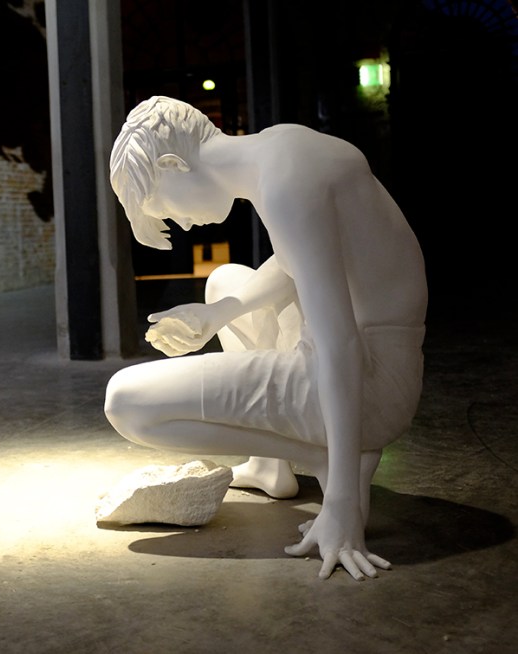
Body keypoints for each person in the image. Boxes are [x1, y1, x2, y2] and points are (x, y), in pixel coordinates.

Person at [104, 96, 427, 580]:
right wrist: (217, 315)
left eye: (165, 207)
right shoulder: (280, 149)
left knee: (125, 402)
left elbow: (340, 344)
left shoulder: (285, 186)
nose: (183, 224)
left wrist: (341, 505)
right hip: (375, 362)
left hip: (369, 383)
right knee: (225, 283)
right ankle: (271, 467)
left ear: (174, 164)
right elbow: (303, 259)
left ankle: (332, 460)